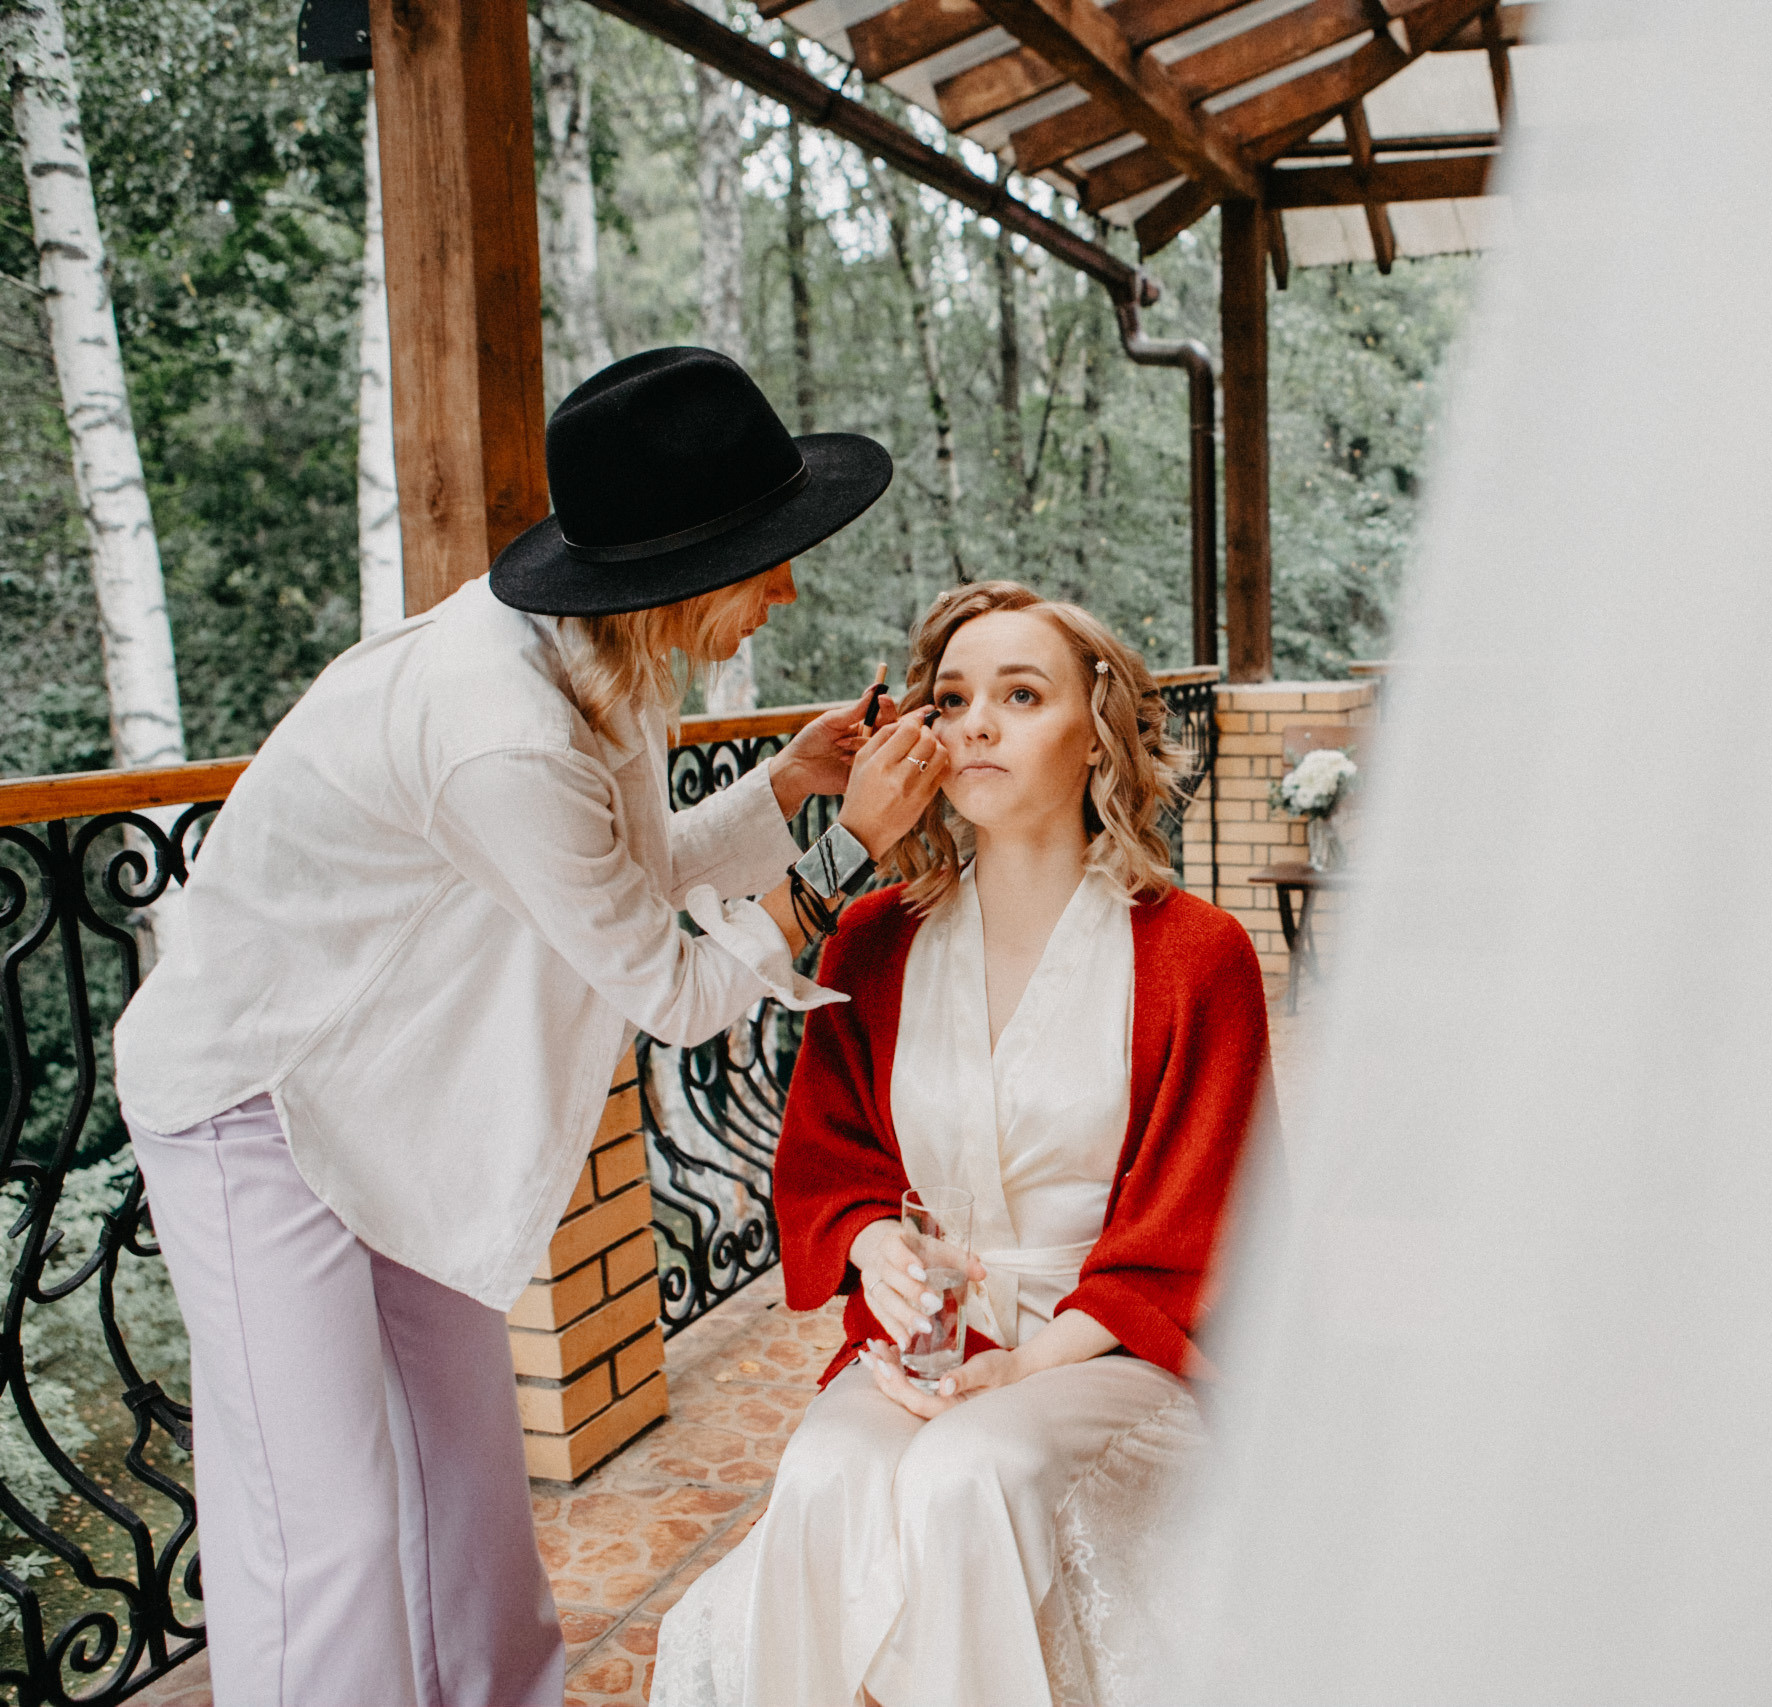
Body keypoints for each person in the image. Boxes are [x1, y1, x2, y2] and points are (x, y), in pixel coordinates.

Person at [111, 347, 951, 1706]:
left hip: (384, 1089)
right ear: (683, 570)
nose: (790, 585)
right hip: (249, 1098)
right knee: (318, 1525)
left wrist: (789, 785)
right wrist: (848, 847)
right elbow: (669, 990)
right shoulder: (497, 724)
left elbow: (624, 868)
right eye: (771, 557)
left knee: (466, 1465)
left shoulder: (607, 658)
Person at [654, 582, 1272, 1707]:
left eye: (1020, 694)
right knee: (826, 1466)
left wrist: (1026, 1365)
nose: (974, 723)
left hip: (1107, 1345)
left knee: (967, 1474)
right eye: (950, 699)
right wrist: (868, 1248)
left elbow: (1197, 1224)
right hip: (928, 1343)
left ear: (1098, 730)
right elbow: (833, 1167)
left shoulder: (1197, 953)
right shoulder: (869, 940)